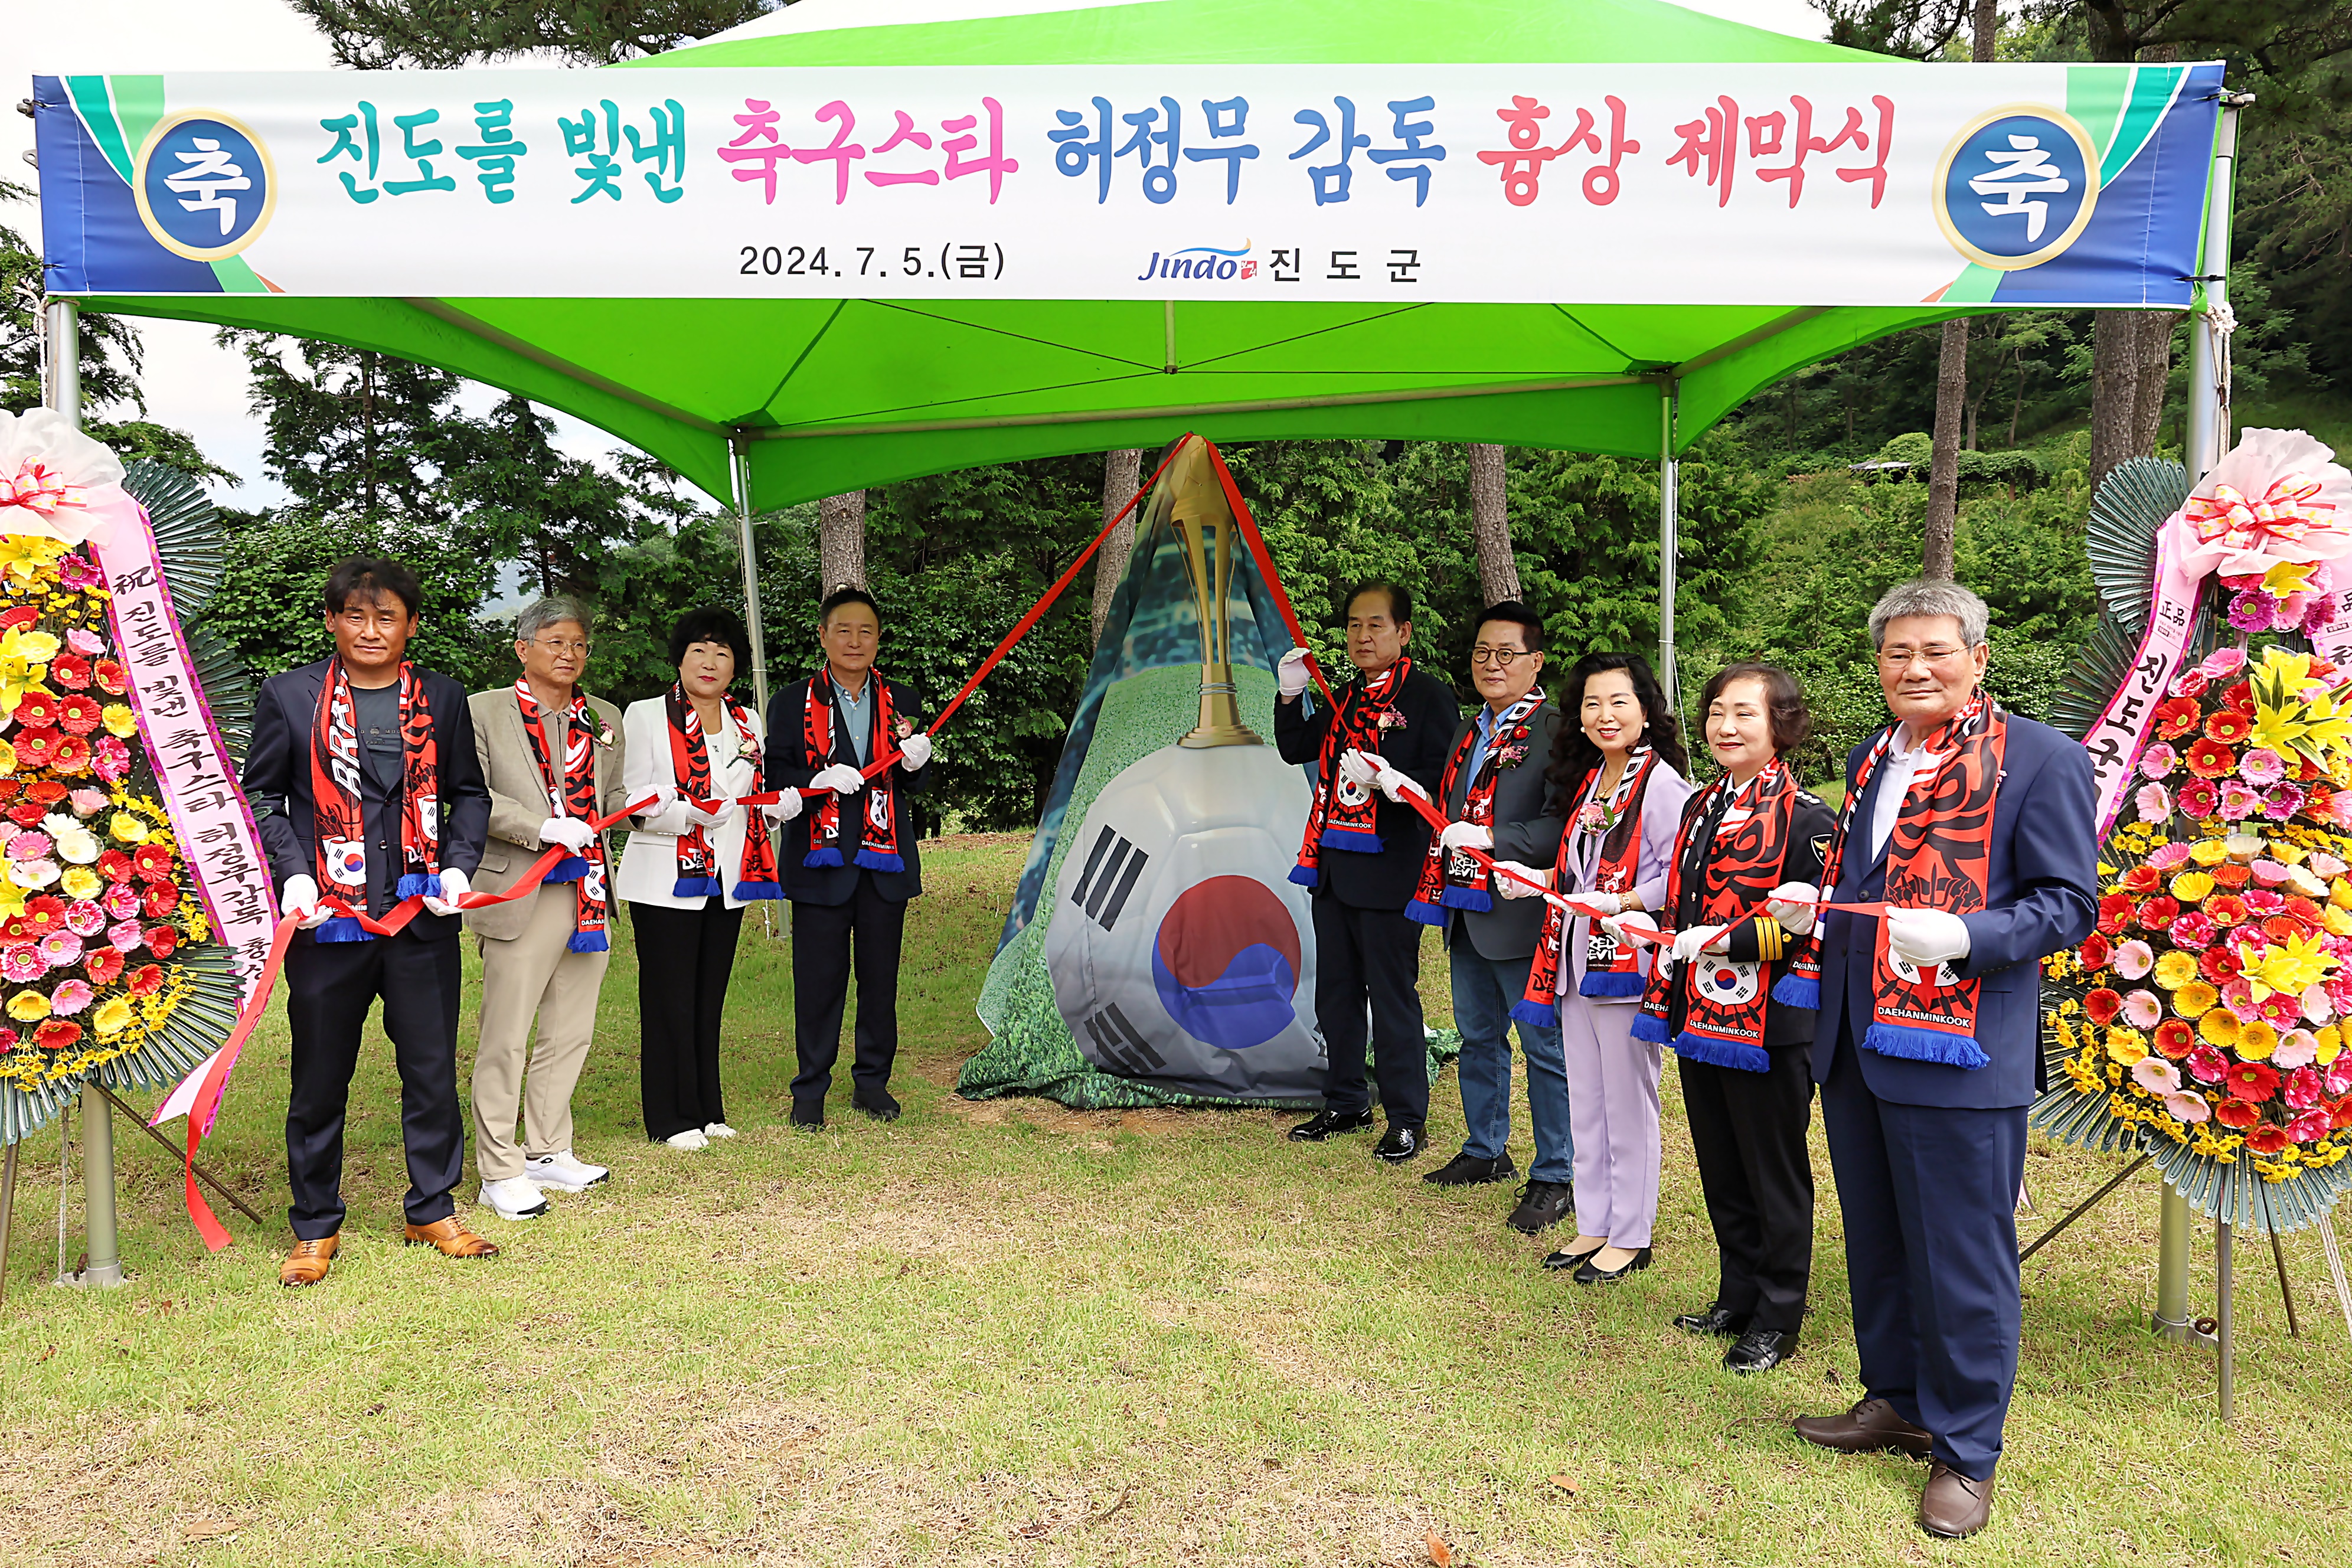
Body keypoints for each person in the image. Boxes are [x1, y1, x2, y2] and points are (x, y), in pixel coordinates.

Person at [1789, 579, 2093, 1540]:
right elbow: (1864, 885)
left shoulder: (2038, 762)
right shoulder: (1869, 756)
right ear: (1875, 664)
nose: (1913, 669)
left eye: (1934, 651)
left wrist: (1965, 936)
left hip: (1958, 1049)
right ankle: (1897, 1397)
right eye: (1894, 654)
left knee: (1962, 1257)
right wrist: (1812, 908)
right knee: (1876, 1239)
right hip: (1857, 1042)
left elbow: (2067, 905)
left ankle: (1966, 1448)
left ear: (1976, 656)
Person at [243, 557, 494, 1286]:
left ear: (410, 625)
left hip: (420, 918)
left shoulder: (443, 698)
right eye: (356, 615)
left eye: (387, 616)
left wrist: (457, 865)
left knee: (430, 1071)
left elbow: (468, 794)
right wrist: (293, 872)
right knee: (320, 1076)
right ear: (332, 621)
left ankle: (432, 1207)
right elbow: (261, 793)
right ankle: (315, 1225)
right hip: (329, 923)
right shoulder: (290, 696)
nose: (371, 629)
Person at [1633, 664, 1834, 1374]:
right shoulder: (1701, 804)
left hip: (1771, 1023)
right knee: (1720, 1162)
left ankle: (1778, 1317)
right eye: (1717, 711)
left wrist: (1722, 940)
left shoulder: (1809, 817)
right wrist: (1652, 924)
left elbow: (1808, 929)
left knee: (1771, 1169)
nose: (1726, 727)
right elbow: (1685, 902)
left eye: (1745, 714)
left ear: (1780, 723)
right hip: (1701, 1008)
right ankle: (1737, 1294)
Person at [1499, 652, 1688, 1283]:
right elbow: (1581, 871)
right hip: (1577, 959)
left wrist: (1625, 900)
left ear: (1646, 710)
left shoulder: (1662, 786)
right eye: (1591, 704)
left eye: (1619, 702)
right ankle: (1595, 1222)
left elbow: (1680, 878)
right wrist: (1541, 878)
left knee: (1629, 1102)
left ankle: (1631, 1234)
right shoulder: (1592, 783)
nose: (1605, 716)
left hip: (1628, 962)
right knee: (1587, 1097)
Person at [1275, 581, 1459, 1162]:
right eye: (1354, 625)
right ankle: (1347, 1097)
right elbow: (1295, 746)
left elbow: (1442, 780)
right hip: (1331, 864)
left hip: (1392, 869)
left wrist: (1395, 782)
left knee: (1392, 995)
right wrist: (1290, 697)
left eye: (1376, 624)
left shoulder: (1429, 697)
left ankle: (1407, 1116)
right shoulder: (1344, 696)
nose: (1363, 636)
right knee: (1336, 993)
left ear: (1403, 632)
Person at [1409, 602, 1574, 1234]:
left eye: (1507, 653)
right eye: (1483, 651)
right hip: (1466, 905)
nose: (1492, 664)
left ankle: (1555, 1172)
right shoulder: (1465, 729)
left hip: (1522, 910)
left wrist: (1489, 835)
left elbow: (1560, 824)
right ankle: (1486, 1149)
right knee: (1478, 1037)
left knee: (1543, 1047)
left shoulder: (1558, 730)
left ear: (1536, 661)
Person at [463, 596, 630, 1221]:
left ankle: (548, 1148)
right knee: (506, 1035)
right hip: (519, 885)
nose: (570, 654)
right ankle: (498, 1168)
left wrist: (646, 802)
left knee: (571, 1030)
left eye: (580, 644)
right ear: (523, 648)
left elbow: (615, 798)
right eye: (556, 642)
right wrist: (540, 824)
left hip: (587, 890)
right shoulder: (482, 710)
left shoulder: (605, 716)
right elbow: (471, 796)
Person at [616, 608, 795, 1151]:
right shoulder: (646, 714)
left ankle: (707, 1109)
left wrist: (776, 808)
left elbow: (745, 801)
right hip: (664, 876)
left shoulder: (748, 722)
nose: (710, 662)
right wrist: (686, 815)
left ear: (736, 666)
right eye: (699, 650)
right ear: (680, 659)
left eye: (722, 652)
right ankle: (668, 1118)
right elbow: (632, 801)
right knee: (669, 996)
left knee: (708, 995)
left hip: (728, 874)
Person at [765, 586, 935, 1128]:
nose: (855, 641)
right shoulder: (792, 701)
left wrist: (916, 762)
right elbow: (774, 776)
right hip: (822, 861)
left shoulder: (903, 698)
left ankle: (872, 1083)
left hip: (884, 862)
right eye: (843, 630)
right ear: (823, 636)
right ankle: (810, 1090)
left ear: (879, 639)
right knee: (818, 980)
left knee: (880, 979)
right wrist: (815, 780)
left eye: (866, 631)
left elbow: (918, 782)